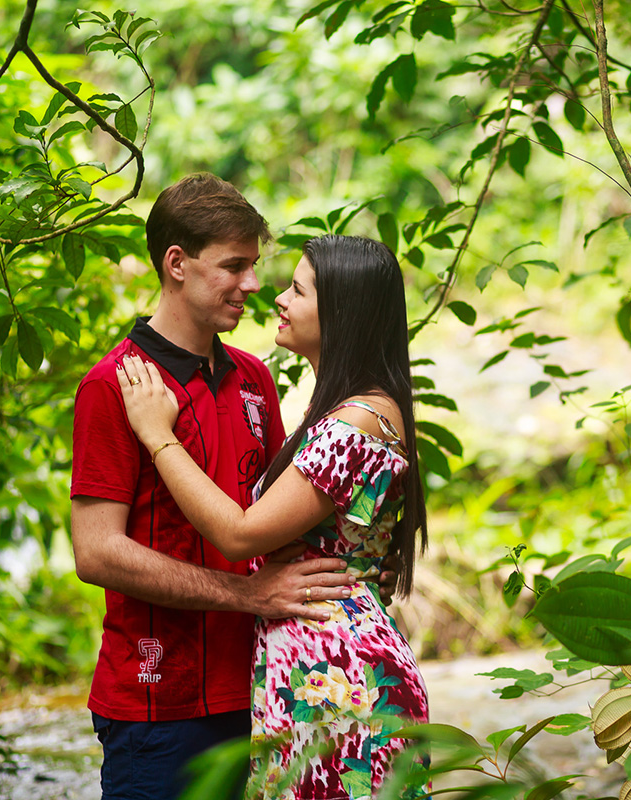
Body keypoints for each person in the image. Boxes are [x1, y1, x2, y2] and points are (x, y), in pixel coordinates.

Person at [70, 174, 386, 800]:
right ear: (177, 264)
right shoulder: (114, 386)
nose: (252, 285)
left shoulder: (252, 378)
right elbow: (96, 552)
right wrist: (246, 594)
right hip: (158, 703)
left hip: (264, 690)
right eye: (234, 266)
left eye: (255, 266)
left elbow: (277, 521)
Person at [115, 234, 430, 800]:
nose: (277, 298)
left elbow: (240, 534)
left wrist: (157, 435)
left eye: (298, 290)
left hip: (339, 677)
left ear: (341, 313)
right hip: (316, 664)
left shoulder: (356, 422)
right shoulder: (340, 410)